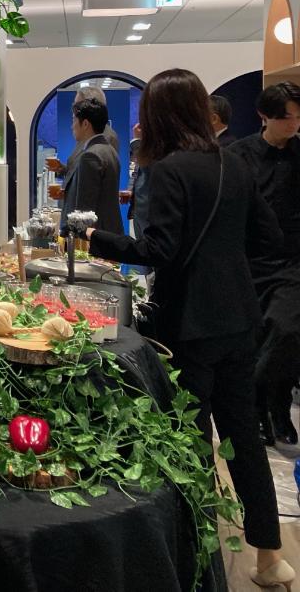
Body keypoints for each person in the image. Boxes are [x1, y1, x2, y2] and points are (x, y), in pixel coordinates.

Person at [87, 68, 292, 591]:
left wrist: (96, 238)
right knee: (244, 439)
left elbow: (159, 250)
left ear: (157, 115)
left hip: (189, 327)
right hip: (238, 320)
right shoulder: (235, 163)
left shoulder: (166, 170)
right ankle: (269, 557)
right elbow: (268, 241)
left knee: (191, 442)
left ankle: (198, 561)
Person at [229, 82, 300, 447]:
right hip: (250, 260)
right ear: (264, 116)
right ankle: (261, 411)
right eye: (286, 117)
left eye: (298, 117)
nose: (294, 124)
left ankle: (276, 404)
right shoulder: (239, 155)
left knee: (287, 331)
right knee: (255, 338)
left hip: (293, 260)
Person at [60, 96, 122, 235]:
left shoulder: (90, 156)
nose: (72, 126)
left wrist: (70, 237)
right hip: (110, 231)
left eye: (74, 120)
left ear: (85, 124)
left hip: (96, 236)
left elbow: (84, 213)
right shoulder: (109, 150)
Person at [46, 86, 119, 177]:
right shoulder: (87, 136)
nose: (74, 108)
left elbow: (96, 176)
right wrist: (62, 169)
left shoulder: (107, 137)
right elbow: (79, 170)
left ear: (91, 105)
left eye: (77, 104)